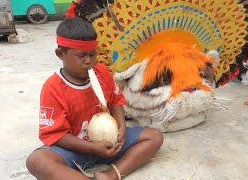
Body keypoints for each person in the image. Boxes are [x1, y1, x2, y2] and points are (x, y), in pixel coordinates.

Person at [26, 17, 163, 180]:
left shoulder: (102, 72)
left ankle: (111, 175)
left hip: (112, 143)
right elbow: (57, 135)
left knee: (154, 137)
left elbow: (116, 101)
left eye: (93, 54)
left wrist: (122, 128)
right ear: (60, 54)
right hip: (75, 149)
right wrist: (93, 148)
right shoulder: (53, 87)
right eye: (81, 56)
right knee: (36, 161)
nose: (89, 61)